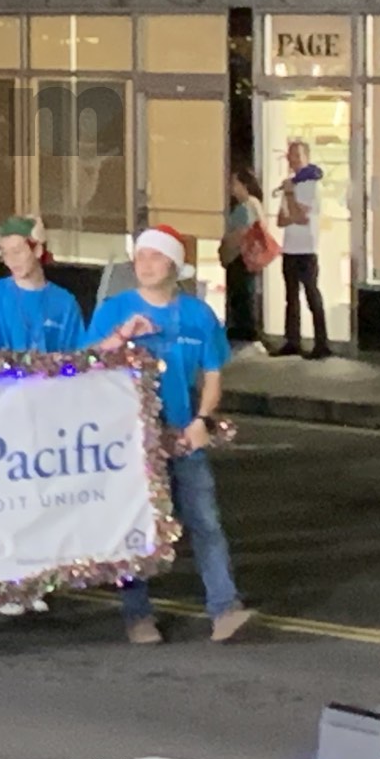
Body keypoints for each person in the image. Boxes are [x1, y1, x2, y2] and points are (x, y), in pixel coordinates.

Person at [88, 225, 252, 645]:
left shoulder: (198, 315)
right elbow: (86, 363)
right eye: (140, 256)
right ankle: (138, 614)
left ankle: (224, 608)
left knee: (205, 522)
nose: (145, 264)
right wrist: (122, 336)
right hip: (132, 441)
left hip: (182, 436)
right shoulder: (114, 309)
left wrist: (203, 420)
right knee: (138, 527)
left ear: (175, 266)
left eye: (155, 257)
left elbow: (212, 374)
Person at [0, 216, 84, 354]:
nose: (11, 260)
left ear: (38, 250)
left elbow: (76, 357)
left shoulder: (65, 303)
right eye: (5, 253)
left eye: (17, 252)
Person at [274, 141, 331, 359]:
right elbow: (281, 220)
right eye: (291, 155)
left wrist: (290, 197)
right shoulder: (291, 184)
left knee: (311, 295)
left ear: (307, 157)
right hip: (289, 248)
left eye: (298, 155)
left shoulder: (310, 185)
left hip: (306, 249)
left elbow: (300, 217)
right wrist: (291, 208)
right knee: (291, 298)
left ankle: (321, 343)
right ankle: (292, 341)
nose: (294, 160)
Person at [220, 171, 265, 346]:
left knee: (241, 296)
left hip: (239, 257)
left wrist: (227, 251)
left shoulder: (246, 207)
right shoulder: (252, 205)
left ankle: (244, 333)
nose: (232, 188)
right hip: (242, 257)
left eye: (234, 183)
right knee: (242, 295)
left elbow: (241, 234)